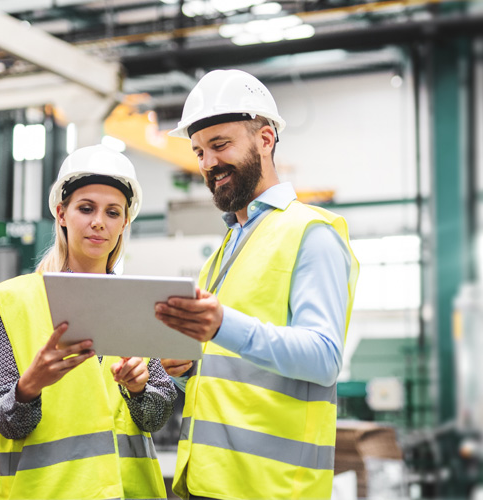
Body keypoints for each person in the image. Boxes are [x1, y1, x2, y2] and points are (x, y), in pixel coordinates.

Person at [155, 69, 360, 500]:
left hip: (273, 489)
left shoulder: (312, 233)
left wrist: (219, 326)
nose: (208, 163)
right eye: (198, 152)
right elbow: (235, 369)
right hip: (208, 483)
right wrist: (188, 368)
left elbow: (323, 358)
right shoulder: (223, 251)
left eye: (220, 145)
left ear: (265, 139)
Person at [0, 144, 177, 500]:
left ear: (124, 222)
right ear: (61, 213)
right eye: (86, 208)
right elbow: (6, 422)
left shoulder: (140, 301)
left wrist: (139, 391)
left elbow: (155, 417)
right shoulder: (14, 303)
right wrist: (29, 387)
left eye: (113, 212)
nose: (99, 221)